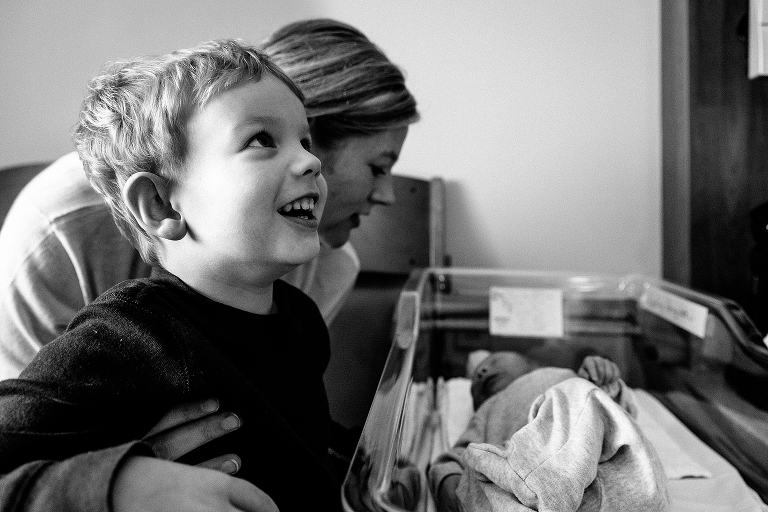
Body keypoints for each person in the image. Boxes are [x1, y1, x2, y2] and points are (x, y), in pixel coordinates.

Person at [0, 38, 349, 511]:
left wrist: (354, 457)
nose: (312, 160)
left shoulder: (300, 318)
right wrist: (119, 484)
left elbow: (294, 436)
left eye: (304, 141)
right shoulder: (131, 334)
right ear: (160, 205)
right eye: (261, 140)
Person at [0, 18, 418, 380]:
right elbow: (20, 445)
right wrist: (126, 464)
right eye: (379, 167)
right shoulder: (65, 226)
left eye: (303, 141)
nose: (387, 196)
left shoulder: (317, 285)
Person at [428, 352, 670, 512]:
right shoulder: (487, 411)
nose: (481, 374)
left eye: (493, 360)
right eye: (475, 386)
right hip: (525, 491)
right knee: (476, 468)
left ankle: (544, 493)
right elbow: (454, 460)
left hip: (613, 483)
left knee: (580, 396)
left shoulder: (566, 375)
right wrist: (449, 485)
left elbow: (621, 415)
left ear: (529, 362)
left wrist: (606, 379)